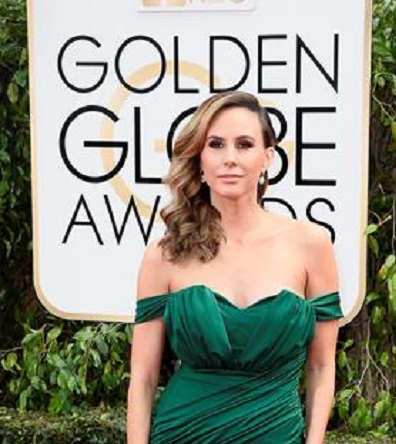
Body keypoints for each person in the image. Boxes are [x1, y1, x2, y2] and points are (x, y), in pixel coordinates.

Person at [126, 91, 343, 444]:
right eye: (215, 144)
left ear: (267, 157)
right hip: (183, 433)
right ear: (199, 159)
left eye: (244, 144)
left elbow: (321, 367)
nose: (230, 158)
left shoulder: (311, 245)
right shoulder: (165, 255)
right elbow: (144, 378)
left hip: (275, 433)